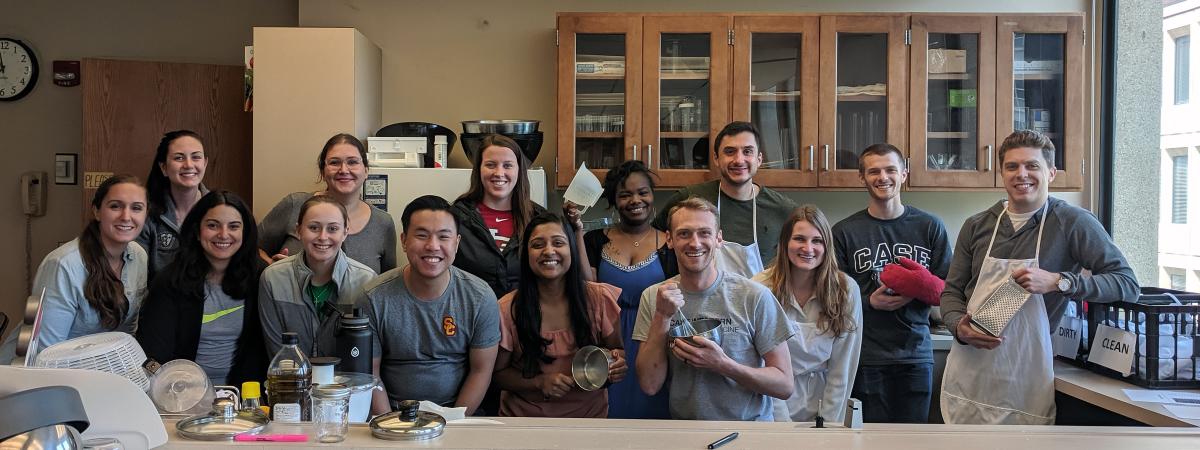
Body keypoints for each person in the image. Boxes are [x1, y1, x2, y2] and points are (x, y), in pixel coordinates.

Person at [940, 130, 1139, 425]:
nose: (1022, 174)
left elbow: (1126, 284)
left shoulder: (1072, 222)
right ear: (1001, 173)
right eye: (1012, 166)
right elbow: (951, 292)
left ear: (1051, 172)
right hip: (970, 371)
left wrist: (1060, 281)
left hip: (1027, 374)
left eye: (1032, 165)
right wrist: (958, 325)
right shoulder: (978, 225)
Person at [634, 197, 794, 421]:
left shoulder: (754, 297)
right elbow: (649, 384)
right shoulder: (654, 297)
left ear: (719, 238)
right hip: (685, 433)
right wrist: (662, 316)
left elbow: (784, 384)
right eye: (684, 233)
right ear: (669, 239)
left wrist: (723, 365)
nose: (695, 243)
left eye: (705, 233)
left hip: (748, 433)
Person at [831, 143, 952, 423]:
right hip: (865, 356)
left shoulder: (930, 226)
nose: (882, 177)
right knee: (868, 440)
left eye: (890, 170)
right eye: (873, 171)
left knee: (912, 441)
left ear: (904, 174)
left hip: (916, 355)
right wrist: (868, 301)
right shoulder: (844, 232)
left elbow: (949, 288)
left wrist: (916, 289)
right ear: (862, 177)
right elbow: (832, 296)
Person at [357, 195, 500, 415]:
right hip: (392, 414)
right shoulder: (374, 297)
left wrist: (453, 421)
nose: (433, 246)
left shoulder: (479, 297)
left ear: (457, 243)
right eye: (422, 235)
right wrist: (389, 424)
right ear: (404, 240)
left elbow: (481, 371)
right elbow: (370, 374)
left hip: (458, 416)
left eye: (444, 237)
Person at [563, 160, 675, 419]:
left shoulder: (670, 243)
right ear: (614, 201)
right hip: (609, 345)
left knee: (653, 417)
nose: (636, 200)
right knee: (608, 419)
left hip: (654, 341)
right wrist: (578, 231)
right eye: (625, 195)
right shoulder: (595, 240)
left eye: (642, 192)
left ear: (652, 195)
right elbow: (587, 286)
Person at [494, 213, 626, 418]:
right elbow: (497, 375)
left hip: (589, 419)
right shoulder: (507, 308)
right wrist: (538, 382)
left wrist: (616, 363)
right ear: (525, 253)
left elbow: (617, 350)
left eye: (558, 242)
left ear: (572, 248)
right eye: (537, 245)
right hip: (523, 422)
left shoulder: (598, 298)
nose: (549, 251)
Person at [7, 175, 148, 358]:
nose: (126, 216)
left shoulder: (138, 257)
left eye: (136, 208)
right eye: (115, 206)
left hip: (97, 368)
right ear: (97, 211)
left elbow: (126, 334)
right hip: (40, 372)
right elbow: (46, 354)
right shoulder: (63, 265)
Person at [136, 191, 267, 386]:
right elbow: (150, 357)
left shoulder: (261, 279)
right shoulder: (169, 282)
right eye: (212, 225)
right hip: (182, 399)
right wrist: (174, 389)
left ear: (245, 233)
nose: (223, 234)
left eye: (233, 226)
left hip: (244, 399)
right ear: (197, 231)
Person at [753, 205, 862, 423]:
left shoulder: (845, 290)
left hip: (825, 403)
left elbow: (843, 368)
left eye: (817, 241)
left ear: (827, 245)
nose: (808, 248)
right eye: (799, 239)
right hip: (771, 405)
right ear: (785, 243)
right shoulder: (759, 288)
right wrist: (782, 425)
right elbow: (759, 365)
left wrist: (829, 423)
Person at [653, 121, 798, 278]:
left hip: (760, 301)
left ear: (759, 159)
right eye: (730, 152)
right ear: (716, 158)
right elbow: (650, 239)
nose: (739, 160)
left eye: (747, 151)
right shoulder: (688, 198)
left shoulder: (784, 209)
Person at [259, 133, 396, 273]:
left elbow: (387, 281)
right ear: (323, 172)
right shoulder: (295, 205)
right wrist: (274, 269)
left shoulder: (383, 223)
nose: (343, 170)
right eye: (334, 162)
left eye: (353, 162)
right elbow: (251, 247)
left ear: (366, 171)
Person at [259, 195, 376, 357]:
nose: (323, 237)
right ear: (299, 231)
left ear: (345, 232)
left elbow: (365, 352)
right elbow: (277, 353)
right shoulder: (273, 279)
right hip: (291, 379)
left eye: (333, 229)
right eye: (313, 228)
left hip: (348, 380)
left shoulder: (366, 281)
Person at [451, 134, 547, 298]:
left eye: (508, 165)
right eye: (490, 165)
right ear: (479, 169)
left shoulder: (538, 219)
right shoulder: (456, 217)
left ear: (519, 170)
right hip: (471, 318)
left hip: (524, 318)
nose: (499, 173)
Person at [138, 130, 209, 279]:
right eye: (179, 158)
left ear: (205, 163)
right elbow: (137, 275)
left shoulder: (221, 209)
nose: (189, 165)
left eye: (196, 157)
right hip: (158, 298)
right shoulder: (145, 213)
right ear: (164, 167)